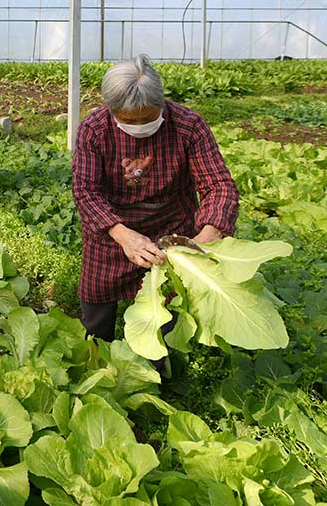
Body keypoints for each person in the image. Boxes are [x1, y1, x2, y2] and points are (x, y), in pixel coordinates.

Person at [71, 56, 239, 345]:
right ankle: (96, 353)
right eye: (129, 120)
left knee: (169, 305)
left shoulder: (188, 126)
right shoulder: (94, 130)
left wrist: (212, 230)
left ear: (162, 104)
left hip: (171, 228)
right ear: (112, 111)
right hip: (112, 232)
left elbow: (218, 184)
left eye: (148, 118)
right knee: (98, 298)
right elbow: (86, 191)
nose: (140, 125)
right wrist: (123, 235)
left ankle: (160, 365)